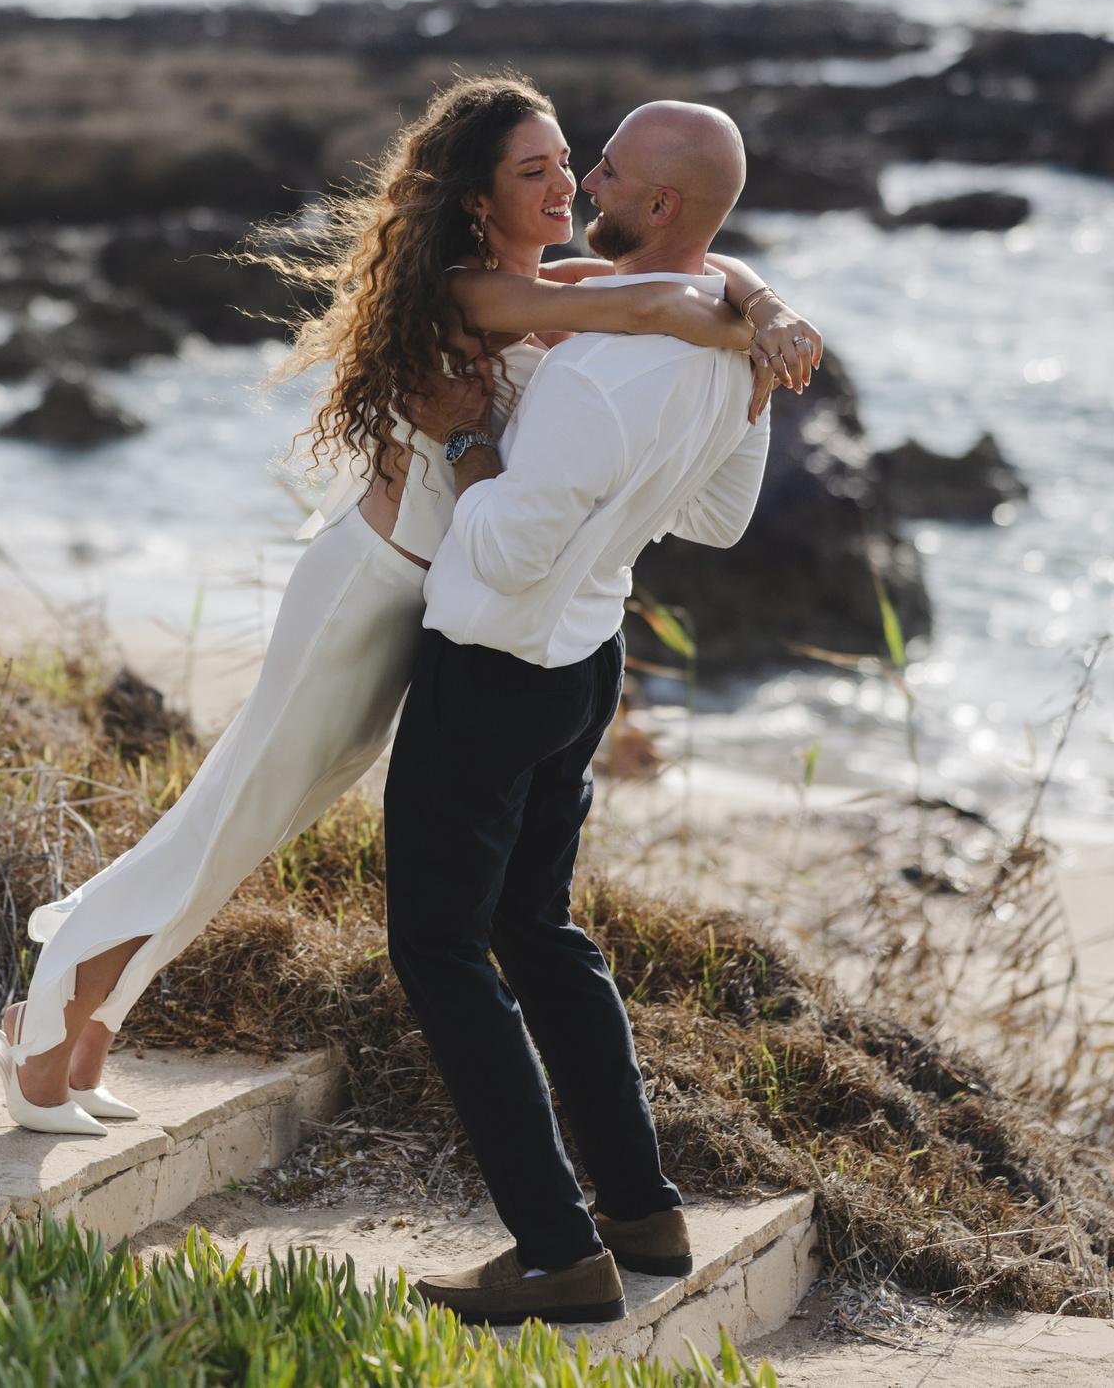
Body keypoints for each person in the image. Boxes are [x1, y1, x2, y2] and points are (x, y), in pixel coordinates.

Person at [0, 78, 821, 1139]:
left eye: (570, 162)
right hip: (365, 592)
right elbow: (655, 294)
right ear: (474, 198)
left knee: (248, 825)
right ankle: (45, 1024)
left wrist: (765, 304)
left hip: (428, 591)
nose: (566, 182)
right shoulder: (478, 292)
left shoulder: (543, 276)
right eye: (536, 170)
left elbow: (699, 268)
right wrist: (748, 312)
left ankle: (82, 1026)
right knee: (232, 818)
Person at [393, 100, 773, 1327]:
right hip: (586, 663)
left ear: (658, 206)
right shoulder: (727, 334)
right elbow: (718, 522)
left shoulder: (597, 374)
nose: (585, 185)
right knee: (538, 928)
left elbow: (499, 556)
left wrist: (465, 448)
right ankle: (641, 1209)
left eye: (605, 170)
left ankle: (558, 1251)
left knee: (440, 947)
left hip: (498, 664)